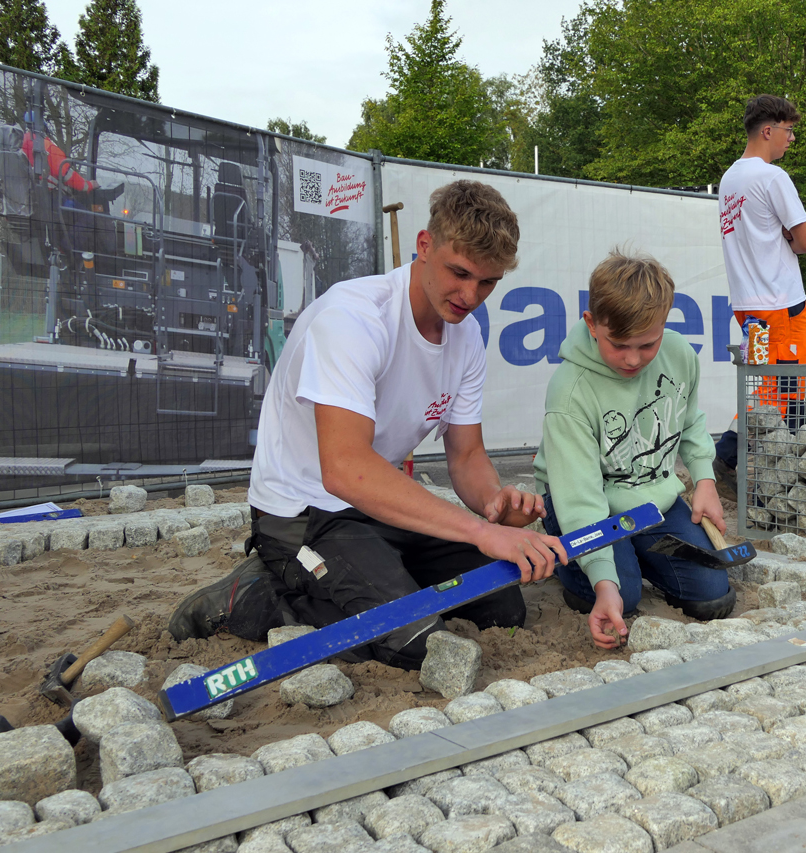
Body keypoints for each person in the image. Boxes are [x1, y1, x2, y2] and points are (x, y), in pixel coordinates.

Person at [168, 180, 567, 670]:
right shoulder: (354, 318)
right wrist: (479, 532)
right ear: (425, 246)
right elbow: (344, 469)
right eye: (459, 273)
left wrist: (494, 504)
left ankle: (373, 579)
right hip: (303, 511)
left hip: (375, 506)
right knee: (414, 643)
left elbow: (466, 456)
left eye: (487, 283)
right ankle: (253, 594)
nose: (470, 296)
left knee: (500, 608)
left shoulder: (466, 339)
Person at [534, 251, 735, 650]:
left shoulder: (679, 354)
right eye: (619, 344)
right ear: (592, 324)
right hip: (582, 503)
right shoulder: (570, 392)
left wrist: (705, 480)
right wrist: (603, 580)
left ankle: (633, 549)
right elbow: (580, 500)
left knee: (712, 595)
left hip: (651, 500)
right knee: (619, 595)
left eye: (646, 345)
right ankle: (574, 561)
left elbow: (688, 417)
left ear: (665, 322)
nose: (632, 359)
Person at [713, 94, 806, 491]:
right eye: (789, 132)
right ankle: (747, 463)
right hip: (781, 305)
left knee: (763, 386)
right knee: (785, 389)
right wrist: (788, 238)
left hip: (748, 309)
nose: (791, 140)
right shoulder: (772, 177)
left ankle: (733, 458)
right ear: (768, 130)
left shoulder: (729, 179)